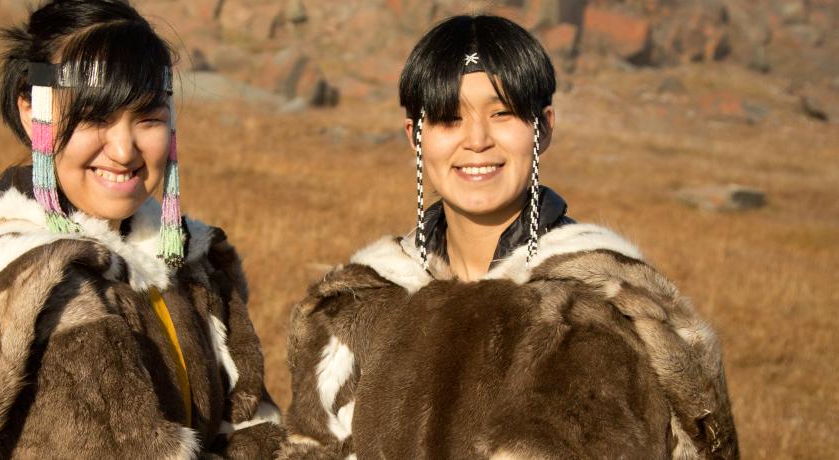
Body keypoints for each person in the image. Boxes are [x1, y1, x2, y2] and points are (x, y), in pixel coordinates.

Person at [282, 15, 738, 459]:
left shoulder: (610, 311)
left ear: (542, 129)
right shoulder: (355, 310)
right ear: (415, 137)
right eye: (447, 118)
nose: (477, 140)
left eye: (502, 114)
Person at [0, 1, 282, 457]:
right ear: (30, 109)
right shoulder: (40, 293)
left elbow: (251, 420)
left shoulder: (191, 262)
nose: (123, 150)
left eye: (148, 117)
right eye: (95, 117)